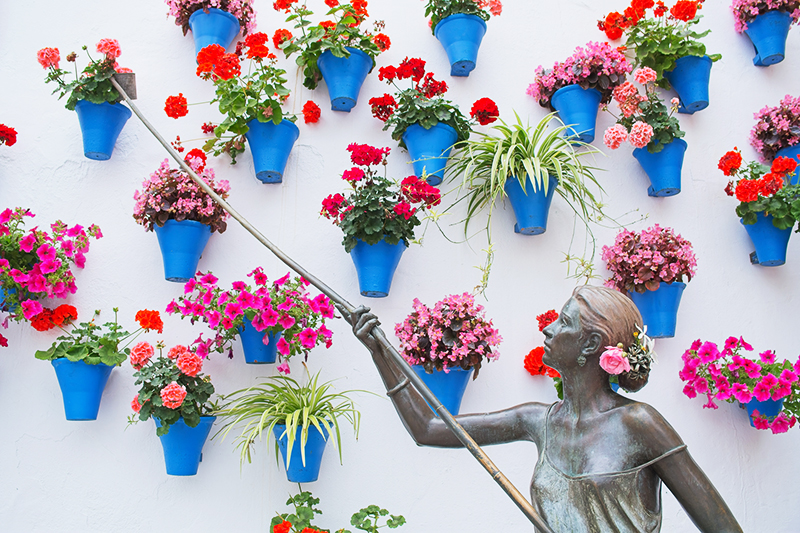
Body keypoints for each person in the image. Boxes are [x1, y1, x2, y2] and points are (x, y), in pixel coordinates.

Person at [347, 285, 742, 533]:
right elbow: (428, 429)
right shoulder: (538, 420)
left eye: (563, 322)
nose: (548, 329)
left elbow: (721, 525)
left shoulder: (640, 424)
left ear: (590, 346)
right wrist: (380, 352)